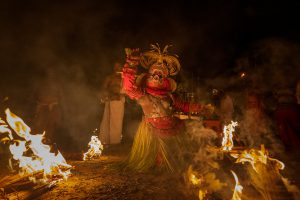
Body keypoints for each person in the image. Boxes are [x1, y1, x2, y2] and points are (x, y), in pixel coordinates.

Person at [121, 44, 213, 173]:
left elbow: (184, 106)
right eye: (154, 73)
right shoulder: (142, 94)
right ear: (148, 75)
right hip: (152, 132)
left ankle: (174, 165)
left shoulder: (170, 96)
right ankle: (156, 164)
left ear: (166, 78)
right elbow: (128, 87)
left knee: (177, 159)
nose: (157, 76)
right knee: (157, 161)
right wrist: (131, 62)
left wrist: (201, 108)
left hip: (173, 130)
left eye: (160, 74)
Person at [99, 62, 125, 145]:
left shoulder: (124, 78)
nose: (117, 68)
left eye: (119, 66)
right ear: (113, 68)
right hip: (110, 100)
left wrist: (121, 95)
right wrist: (108, 95)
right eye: (116, 66)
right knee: (107, 120)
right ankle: (105, 140)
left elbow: (126, 90)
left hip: (119, 101)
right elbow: (103, 88)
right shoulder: (110, 78)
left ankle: (115, 141)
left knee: (117, 121)